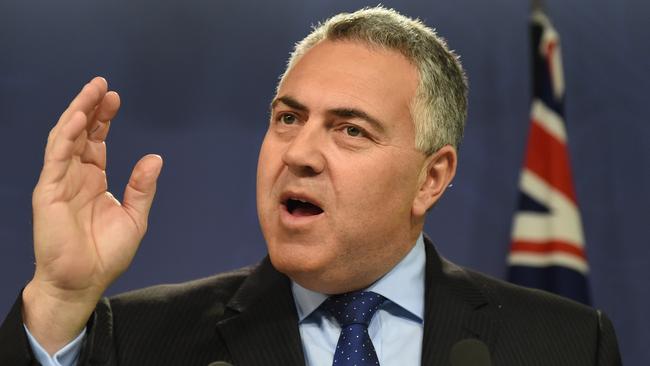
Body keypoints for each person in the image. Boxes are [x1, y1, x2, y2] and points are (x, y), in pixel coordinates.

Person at [0, 6, 621, 366]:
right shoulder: (135, 339)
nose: (298, 153)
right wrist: (57, 297)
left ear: (431, 178)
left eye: (349, 130)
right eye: (287, 118)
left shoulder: (564, 344)